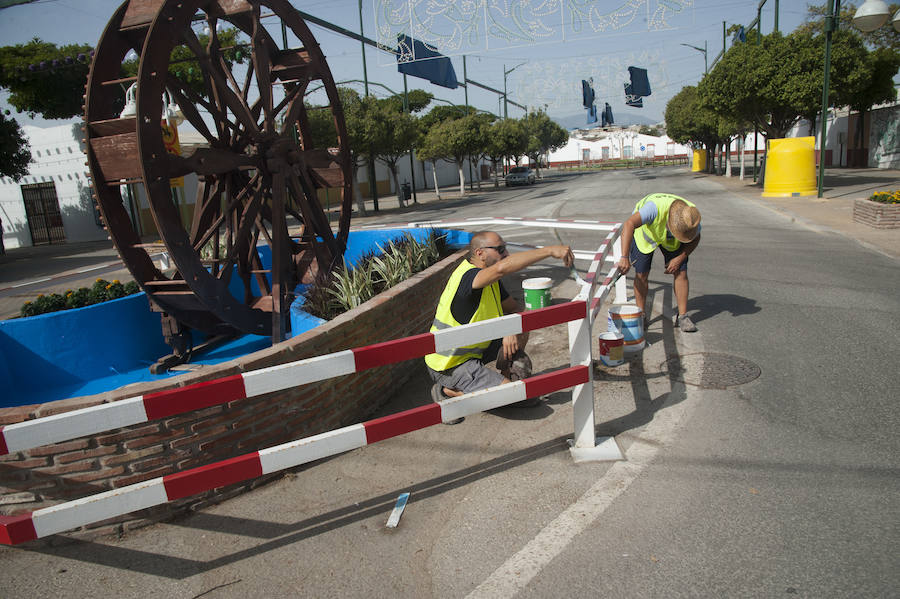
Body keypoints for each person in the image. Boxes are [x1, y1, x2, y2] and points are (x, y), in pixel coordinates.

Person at [424, 231, 574, 423]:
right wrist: (549, 251)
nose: (506, 254)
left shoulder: (490, 280)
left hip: (473, 351)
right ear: (480, 253)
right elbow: (502, 268)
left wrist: (509, 328)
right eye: (500, 249)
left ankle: (500, 381)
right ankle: (448, 391)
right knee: (522, 398)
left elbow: (514, 308)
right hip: (449, 365)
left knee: (521, 328)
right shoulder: (468, 278)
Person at [616, 193, 701, 332]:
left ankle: (683, 317)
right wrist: (624, 257)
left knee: (681, 272)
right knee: (641, 273)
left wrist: (679, 258)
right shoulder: (652, 209)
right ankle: (641, 315)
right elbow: (629, 224)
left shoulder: (691, 217)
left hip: (670, 240)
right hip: (646, 234)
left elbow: (696, 237)